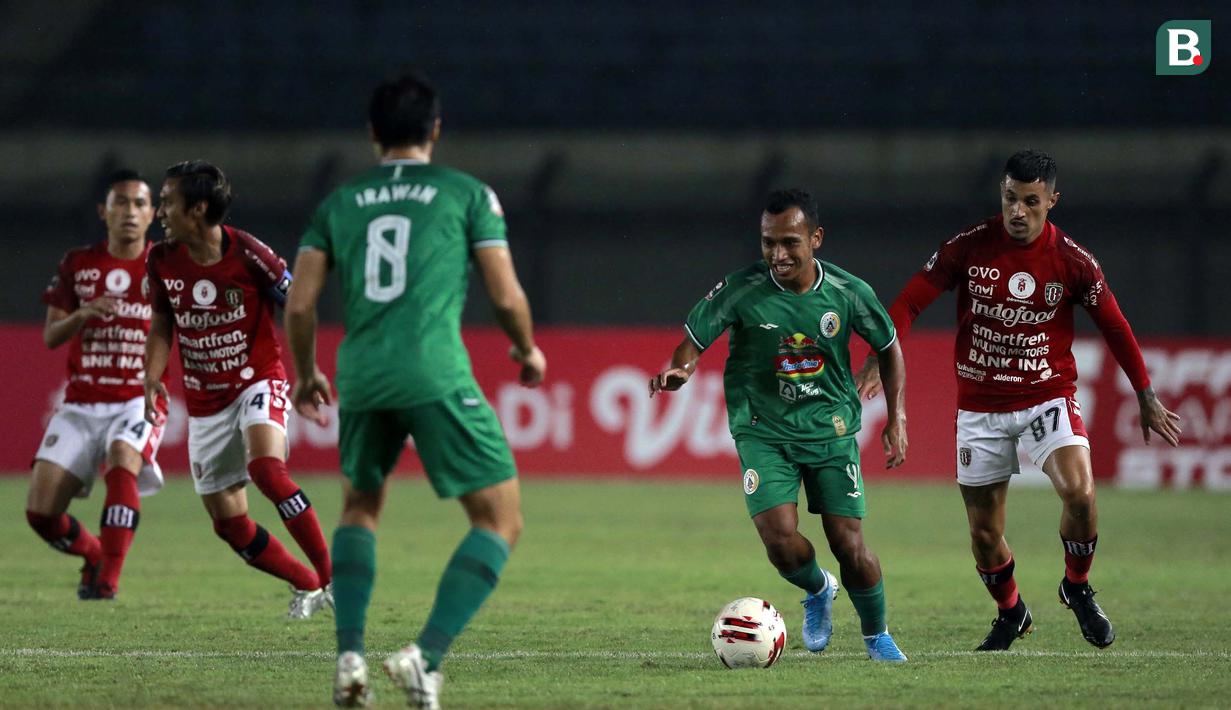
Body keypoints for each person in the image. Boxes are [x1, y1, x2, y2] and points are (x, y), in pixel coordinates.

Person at [285, 71, 546, 708]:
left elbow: (300, 305)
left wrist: (307, 371)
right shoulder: (466, 194)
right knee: (500, 519)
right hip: (433, 371)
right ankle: (423, 659)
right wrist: (526, 347)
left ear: (372, 133)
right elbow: (505, 294)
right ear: (435, 129)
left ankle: (349, 658)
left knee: (359, 509)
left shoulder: (338, 203)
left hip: (362, 376)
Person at [855, 149, 1182, 651]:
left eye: (1031, 201)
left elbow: (1115, 326)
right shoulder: (969, 247)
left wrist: (1146, 393)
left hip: (1047, 395)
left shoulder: (1073, 261)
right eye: (1010, 198)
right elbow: (910, 300)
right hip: (980, 405)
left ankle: (1076, 586)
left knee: (1080, 493)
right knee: (985, 534)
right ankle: (1011, 613)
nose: (1018, 211)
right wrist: (880, 355)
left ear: (1052, 201)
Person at [650, 188, 909, 663]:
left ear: (816, 238)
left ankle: (878, 637)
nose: (778, 254)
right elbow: (692, 340)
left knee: (849, 545)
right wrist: (681, 371)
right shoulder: (741, 288)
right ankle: (818, 589)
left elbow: (889, 346)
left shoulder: (849, 292)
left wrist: (898, 417)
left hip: (830, 430)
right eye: (768, 242)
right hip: (763, 430)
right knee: (779, 539)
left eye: (790, 242)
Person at [142, 160, 333, 619]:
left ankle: (333, 580)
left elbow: (299, 304)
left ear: (197, 208)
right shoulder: (160, 260)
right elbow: (163, 322)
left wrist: (307, 372)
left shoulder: (249, 253)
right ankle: (308, 584)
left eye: (167, 202)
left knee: (267, 469)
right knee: (230, 525)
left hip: (256, 379)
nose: (159, 211)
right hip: (206, 402)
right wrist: (153, 377)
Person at [27, 169, 165, 600]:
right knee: (41, 513)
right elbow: (51, 336)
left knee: (123, 458)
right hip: (82, 403)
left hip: (137, 398)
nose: (130, 211)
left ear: (153, 214)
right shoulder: (78, 264)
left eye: (139, 204)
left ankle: (108, 580)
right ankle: (94, 555)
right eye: (120, 202)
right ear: (103, 212)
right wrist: (82, 315)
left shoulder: (165, 266)